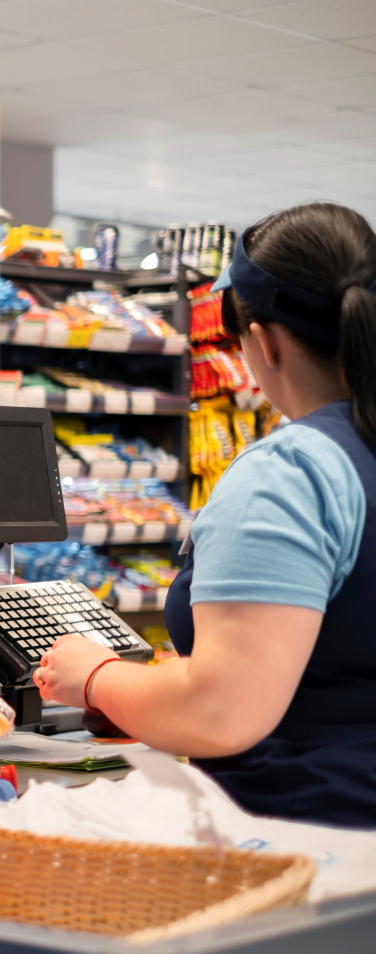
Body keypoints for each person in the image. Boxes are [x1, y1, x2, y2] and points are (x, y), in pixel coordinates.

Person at [35, 202, 376, 828]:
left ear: (264, 343)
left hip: (312, 835)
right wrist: (156, 691)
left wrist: (95, 675)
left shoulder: (292, 471)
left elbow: (220, 711)